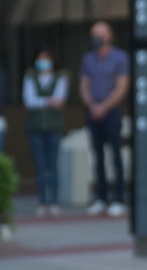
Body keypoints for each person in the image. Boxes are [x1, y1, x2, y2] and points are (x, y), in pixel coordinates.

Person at [79, 22, 130, 217]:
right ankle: (100, 198)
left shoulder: (120, 57)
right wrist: (92, 104)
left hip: (112, 112)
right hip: (93, 112)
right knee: (97, 156)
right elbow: (84, 85)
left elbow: (121, 86)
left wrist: (104, 106)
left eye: (100, 34)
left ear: (110, 35)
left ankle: (118, 199)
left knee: (115, 156)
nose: (97, 38)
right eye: (94, 34)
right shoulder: (88, 59)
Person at [23, 47, 69, 217]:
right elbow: (29, 101)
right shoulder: (30, 77)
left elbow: (60, 100)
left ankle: (54, 202)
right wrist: (49, 101)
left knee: (52, 165)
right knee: (40, 165)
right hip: (35, 127)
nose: (43, 62)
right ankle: (42, 202)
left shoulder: (61, 77)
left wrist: (41, 101)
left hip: (53, 127)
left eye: (46, 58)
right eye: (40, 58)